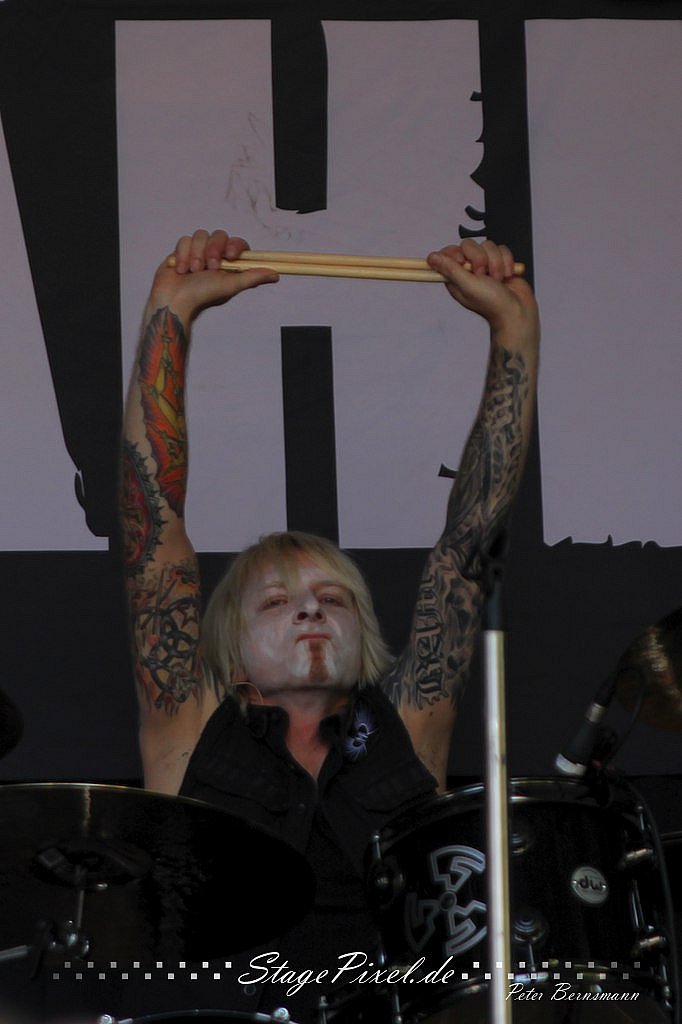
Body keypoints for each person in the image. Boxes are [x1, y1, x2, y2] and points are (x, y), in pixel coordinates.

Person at [118, 229, 540, 1022]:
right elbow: (153, 529)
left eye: (331, 598)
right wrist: (170, 311)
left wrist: (513, 329)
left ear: (363, 633)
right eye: (276, 602)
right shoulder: (189, 722)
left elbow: (467, 546)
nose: (310, 608)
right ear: (230, 650)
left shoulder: (409, 722)